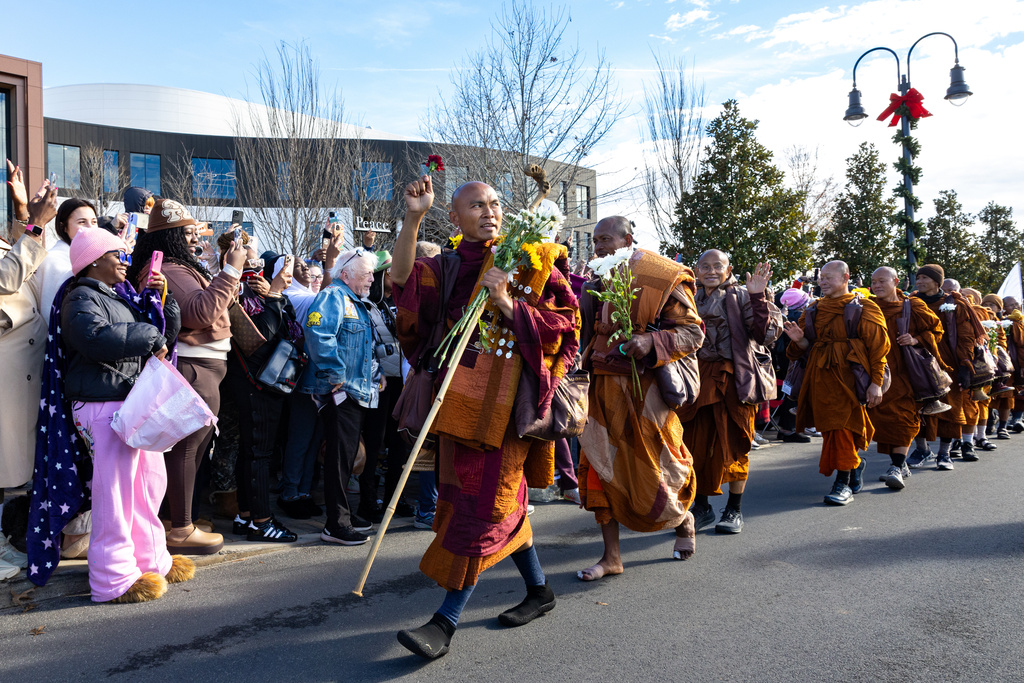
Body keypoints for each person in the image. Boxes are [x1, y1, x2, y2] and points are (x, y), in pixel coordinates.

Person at [391, 177, 579, 660]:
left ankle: (444, 622)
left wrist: (510, 306)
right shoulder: (447, 265)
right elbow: (403, 289)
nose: (489, 210)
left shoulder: (532, 259)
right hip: (457, 404)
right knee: (486, 500)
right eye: (476, 205)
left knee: (484, 503)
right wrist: (413, 217)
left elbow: (568, 322)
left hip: (508, 407)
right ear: (454, 218)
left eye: (495, 203)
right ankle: (539, 590)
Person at [58, 227, 194, 602]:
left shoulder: (117, 295)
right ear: (94, 260)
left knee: (148, 487)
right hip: (102, 405)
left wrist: (163, 296)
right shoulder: (80, 297)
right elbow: (94, 338)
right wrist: (149, 334)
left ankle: (151, 561)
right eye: (116, 254)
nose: (124, 260)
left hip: (128, 403)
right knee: (115, 495)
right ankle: (112, 579)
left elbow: (165, 331)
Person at [577, 215, 705, 576]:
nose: (598, 247)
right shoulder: (595, 280)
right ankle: (611, 557)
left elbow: (693, 334)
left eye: (604, 239)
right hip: (601, 389)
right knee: (600, 469)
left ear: (628, 239)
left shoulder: (662, 276)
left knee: (662, 464)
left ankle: (682, 520)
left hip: (645, 391)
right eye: (595, 241)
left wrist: (651, 341)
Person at [128, 199, 246, 555]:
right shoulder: (171, 269)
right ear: (173, 238)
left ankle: (173, 520)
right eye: (188, 234)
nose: (195, 240)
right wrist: (231, 273)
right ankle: (180, 527)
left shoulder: (179, 266)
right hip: (193, 370)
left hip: (204, 370)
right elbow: (200, 312)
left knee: (193, 449)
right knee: (186, 448)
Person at [680, 250, 782, 534]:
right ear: (696, 270)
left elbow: (766, 336)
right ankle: (701, 507)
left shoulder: (741, 296)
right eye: (705, 267)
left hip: (734, 379)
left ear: (729, 269)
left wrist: (758, 297)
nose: (711, 271)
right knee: (694, 445)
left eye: (717, 266)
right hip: (698, 379)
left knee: (736, 441)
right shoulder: (689, 297)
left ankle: (734, 510)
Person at [784, 261, 889, 505]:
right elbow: (800, 349)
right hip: (820, 377)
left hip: (850, 377)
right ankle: (854, 464)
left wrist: (876, 383)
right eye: (821, 278)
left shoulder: (865, 307)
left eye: (829, 277)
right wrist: (799, 341)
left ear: (845, 278)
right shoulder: (813, 308)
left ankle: (842, 484)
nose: (823, 282)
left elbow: (878, 349)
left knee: (843, 425)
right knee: (831, 428)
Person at [300, 247, 381, 546]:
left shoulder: (353, 300)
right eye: (367, 272)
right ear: (346, 274)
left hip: (354, 390)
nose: (373, 277)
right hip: (340, 391)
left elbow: (360, 347)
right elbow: (318, 334)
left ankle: (343, 515)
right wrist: (337, 375)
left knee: (346, 457)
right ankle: (336, 524)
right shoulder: (333, 297)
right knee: (338, 457)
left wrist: (375, 375)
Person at [0, 175, 57, 580]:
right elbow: (6, 278)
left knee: (19, 461)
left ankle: (12, 539)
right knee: (8, 461)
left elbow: (30, 261)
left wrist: (24, 213)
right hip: (8, 369)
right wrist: (34, 222)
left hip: (25, 365)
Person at [224, 246, 300, 543]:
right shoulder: (236, 294)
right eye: (248, 257)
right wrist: (276, 292)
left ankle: (245, 515)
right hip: (255, 383)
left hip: (262, 382)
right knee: (258, 453)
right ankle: (261, 522)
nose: (255, 266)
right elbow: (261, 335)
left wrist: (275, 294)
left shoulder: (261, 294)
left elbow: (290, 327)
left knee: (252, 452)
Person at [867, 267, 949, 490]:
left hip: (906, 372)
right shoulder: (868, 306)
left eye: (882, 281)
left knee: (903, 417)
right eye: (873, 282)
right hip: (878, 372)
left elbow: (936, 330)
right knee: (884, 419)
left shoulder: (913, 305)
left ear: (896, 282)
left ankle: (896, 466)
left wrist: (915, 339)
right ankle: (900, 463)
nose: (877, 286)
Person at [357, 250, 417, 521]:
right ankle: (367, 502)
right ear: (384, 274)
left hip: (403, 381)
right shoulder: (368, 303)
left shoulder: (406, 300)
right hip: (379, 381)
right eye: (392, 271)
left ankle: (396, 498)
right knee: (374, 441)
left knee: (399, 442)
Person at [907, 265, 985, 469]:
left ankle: (944, 453)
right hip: (918, 360)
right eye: (918, 277)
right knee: (918, 405)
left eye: (924, 277)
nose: (920, 281)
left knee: (952, 407)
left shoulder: (955, 304)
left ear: (936, 282)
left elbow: (966, 337)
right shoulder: (910, 302)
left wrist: (965, 365)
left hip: (948, 363)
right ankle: (922, 449)